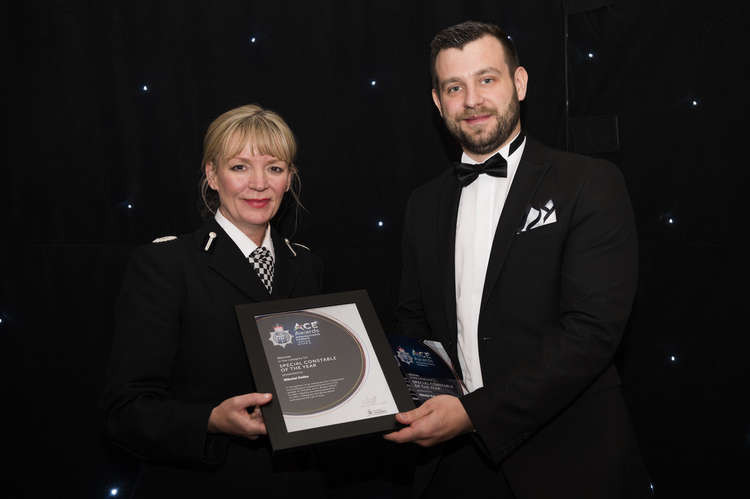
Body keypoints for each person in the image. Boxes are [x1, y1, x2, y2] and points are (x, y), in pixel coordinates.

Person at [384, 21, 651, 498]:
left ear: (520, 83)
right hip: (454, 467)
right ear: (437, 101)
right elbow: (414, 319)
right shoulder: (422, 204)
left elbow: (590, 335)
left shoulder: (589, 183)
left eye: (487, 79)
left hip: (570, 461)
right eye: (454, 87)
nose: (471, 100)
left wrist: (473, 414)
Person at [102, 104, 326, 497]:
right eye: (240, 167)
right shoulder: (165, 265)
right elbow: (125, 411)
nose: (259, 184)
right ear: (211, 175)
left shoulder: (307, 265)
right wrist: (210, 420)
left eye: (274, 168)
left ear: (289, 179)